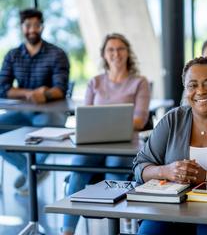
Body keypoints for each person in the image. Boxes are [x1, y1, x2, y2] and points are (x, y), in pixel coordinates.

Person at [133, 57, 207, 235]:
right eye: (193, 85)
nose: (201, 91)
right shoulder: (173, 119)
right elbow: (139, 166)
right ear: (186, 89)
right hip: (170, 211)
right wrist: (166, 171)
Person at [62, 33, 150, 235]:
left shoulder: (139, 82)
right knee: (78, 166)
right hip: (94, 143)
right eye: (111, 49)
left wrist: (112, 125)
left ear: (128, 53)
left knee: (115, 164)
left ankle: (113, 228)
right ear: (104, 54)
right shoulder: (95, 82)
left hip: (126, 144)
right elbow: (86, 117)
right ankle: (66, 231)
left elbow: (140, 120)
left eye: (120, 49)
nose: (116, 54)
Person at [0, 8, 70, 194]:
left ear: (42, 27)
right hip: (22, 112)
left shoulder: (57, 54)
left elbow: (60, 89)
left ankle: (32, 170)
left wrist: (45, 95)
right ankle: (32, 170)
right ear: (21, 27)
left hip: (51, 112)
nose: (32, 29)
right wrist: (29, 93)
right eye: (28, 25)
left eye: (36, 25)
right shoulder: (12, 55)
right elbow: (2, 88)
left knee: (51, 126)